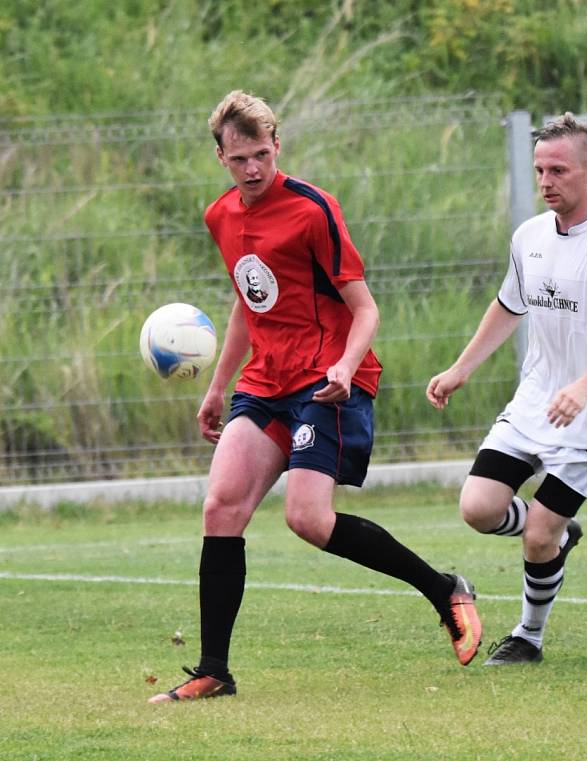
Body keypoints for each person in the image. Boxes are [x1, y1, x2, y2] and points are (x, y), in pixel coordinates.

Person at [149, 90, 481, 703]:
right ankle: (213, 671)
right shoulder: (219, 216)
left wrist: (346, 369)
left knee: (307, 518)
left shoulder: (312, 209)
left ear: (277, 147)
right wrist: (219, 385)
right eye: (240, 157)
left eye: (262, 154)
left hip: (324, 380)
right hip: (265, 378)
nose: (254, 168)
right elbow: (249, 302)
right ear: (221, 157)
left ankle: (444, 590)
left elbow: (365, 307)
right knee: (221, 507)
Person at [426, 113, 587, 665]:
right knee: (479, 508)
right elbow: (509, 305)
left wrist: (583, 387)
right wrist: (461, 368)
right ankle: (557, 532)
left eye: (559, 169)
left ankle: (528, 636)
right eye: (539, 170)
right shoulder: (529, 236)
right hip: (535, 401)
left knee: (536, 539)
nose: (547, 180)